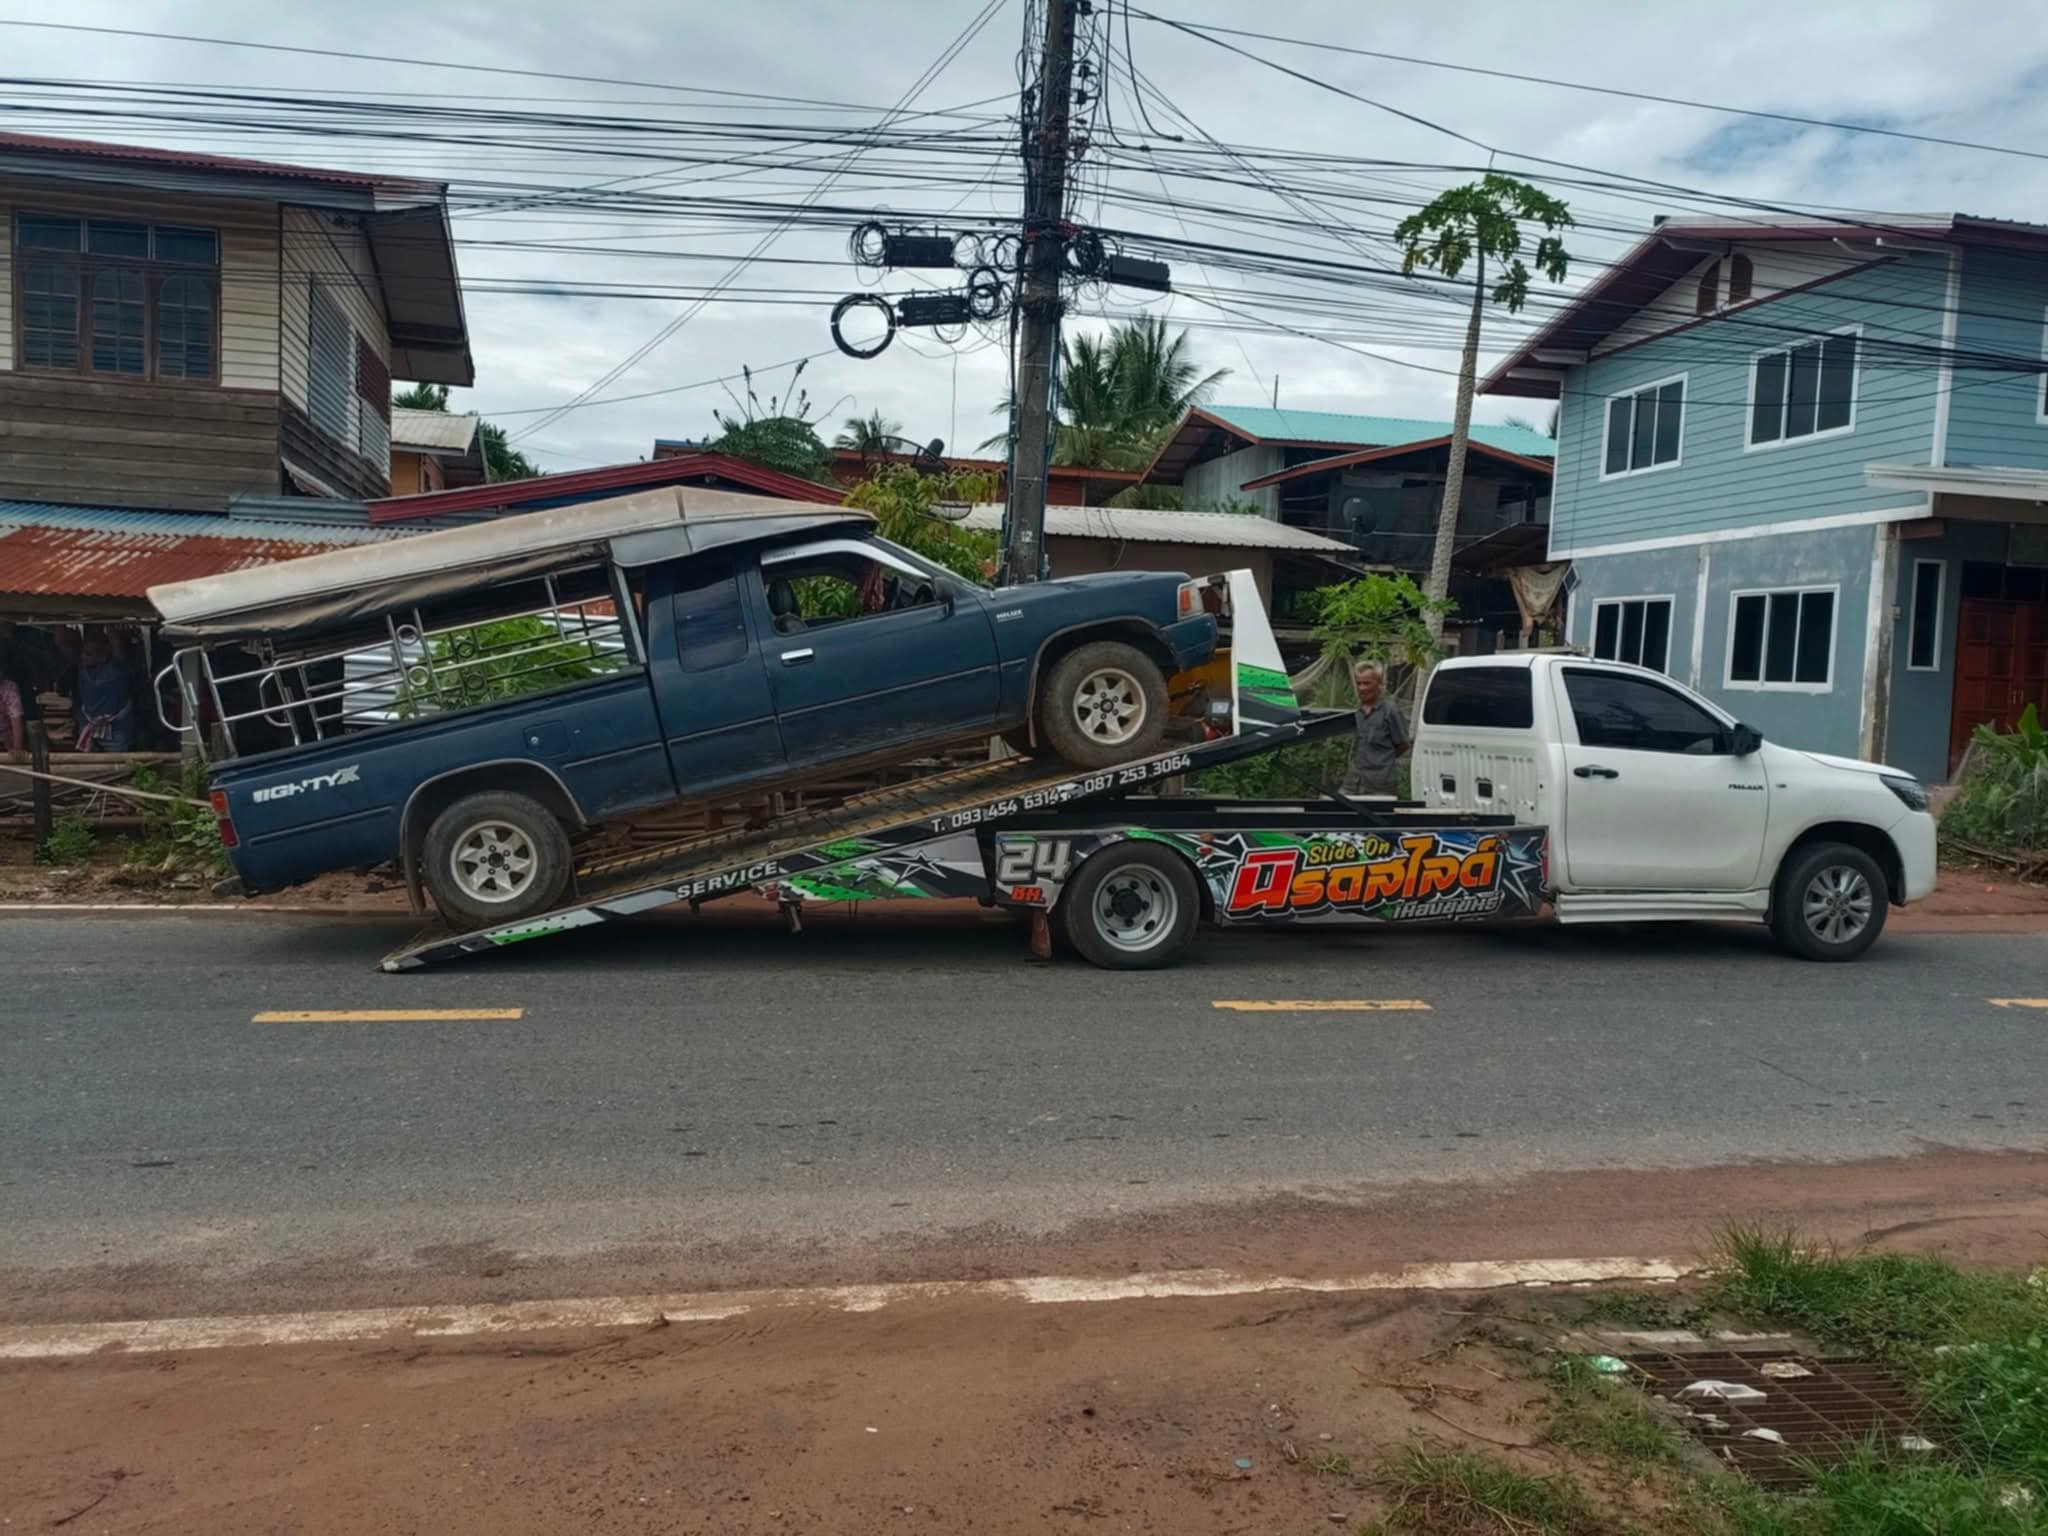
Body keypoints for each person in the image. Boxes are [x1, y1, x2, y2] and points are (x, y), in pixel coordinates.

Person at [1342, 659, 1409, 797]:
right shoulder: (1355, 711)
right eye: (1359, 683)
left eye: (1367, 683)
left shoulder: (1390, 711)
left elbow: (1402, 745)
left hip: (1379, 785)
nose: (1362, 688)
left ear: (1379, 684)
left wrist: (1381, 760)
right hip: (1353, 782)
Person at [71, 629, 137, 752]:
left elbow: (117, 646)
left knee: (117, 762)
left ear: (103, 657)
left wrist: (109, 625)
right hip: (89, 725)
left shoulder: (117, 671)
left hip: (116, 730)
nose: (83, 656)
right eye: (83, 652)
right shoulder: (83, 669)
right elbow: (61, 643)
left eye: (88, 654)